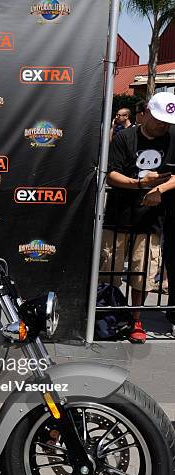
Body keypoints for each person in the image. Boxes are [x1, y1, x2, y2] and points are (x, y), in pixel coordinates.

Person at [100, 92, 175, 343]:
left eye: (167, 121)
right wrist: (141, 184)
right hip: (118, 216)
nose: (163, 125)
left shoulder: (173, 137)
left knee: (140, 274)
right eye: (158, 119)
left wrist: (159, 190)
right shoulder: (124, 137)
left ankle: (136, 320)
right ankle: (107, 316)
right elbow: (111, 175)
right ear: (145, 114)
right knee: (109, 270)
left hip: (151, 220)